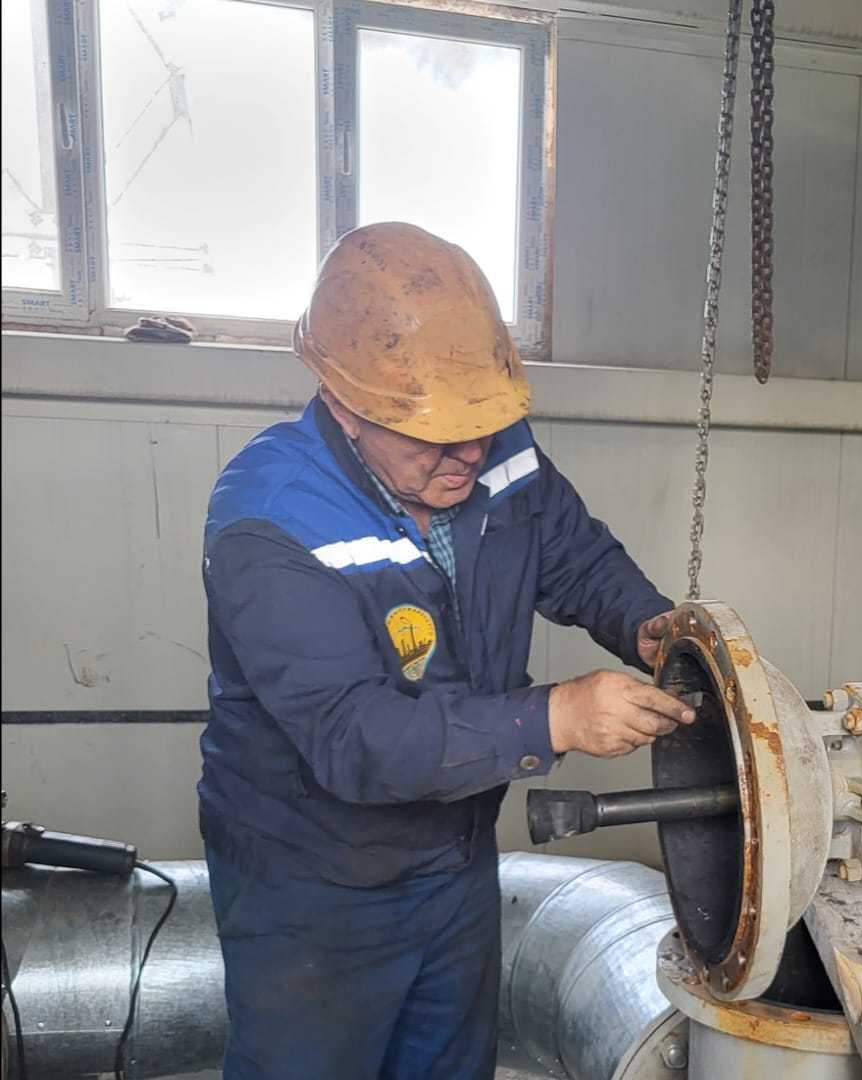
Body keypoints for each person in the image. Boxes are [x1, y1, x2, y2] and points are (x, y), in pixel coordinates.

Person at [198, 222, 690, 1078]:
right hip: (313, 885)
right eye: (435, 434)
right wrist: (554, 718)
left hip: (455, 857)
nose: (469, 452)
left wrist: (646, 624)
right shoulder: (271, 521)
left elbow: (571, 555)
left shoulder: (494, 448)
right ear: (345, 403)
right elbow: (355, 737)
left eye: (483, 424)